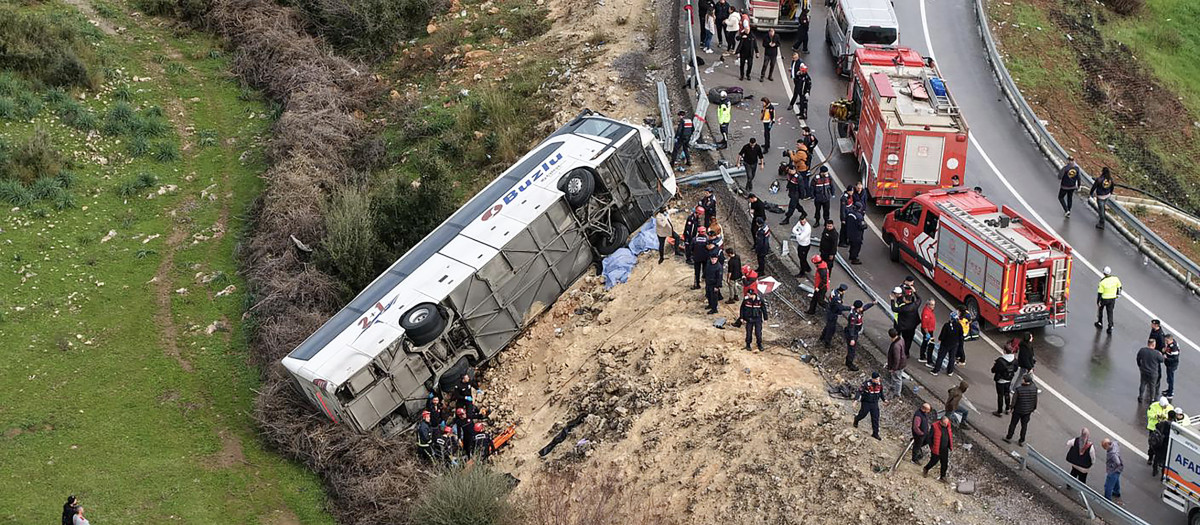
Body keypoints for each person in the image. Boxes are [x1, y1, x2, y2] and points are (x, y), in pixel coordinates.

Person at [1005, 375, 1038, 446]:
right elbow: (1035, 400)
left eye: (1023, 379)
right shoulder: (1034, 389)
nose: (1021, 380)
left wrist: (1011, 408)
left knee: (1013, 424)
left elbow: (1014, 401)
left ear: (1025, 381)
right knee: (1024, 426)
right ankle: (1021, 440)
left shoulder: (1019, 389)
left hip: (1018, 410)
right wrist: (1033, 408)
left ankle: (1009, 437)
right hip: (1028, 411)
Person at [852, 372, 886, 440]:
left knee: (875, 418)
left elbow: (881, 393)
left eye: (878, 379)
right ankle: (856, 419)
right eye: (876, 379)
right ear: (873, 379)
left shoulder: (879, 384)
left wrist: (884, 400)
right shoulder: (866, 384)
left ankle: (875, 433)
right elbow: (859, 391)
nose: (878, 380)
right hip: (866, 402)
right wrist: (856, 400)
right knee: (862, 414)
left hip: (874, 403)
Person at [844, 299, 875, 371]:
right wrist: (852, 338)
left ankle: (848, 361)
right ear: (858, 308)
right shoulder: (853, 316)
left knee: (852, 349)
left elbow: (865, 307)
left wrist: (872, 304)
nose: (862, 308)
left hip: (855, 332)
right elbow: (851, 328)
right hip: (852, 334)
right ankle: (849, 363)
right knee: (852, 350)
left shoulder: (858, 311)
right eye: (861, 307)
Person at [990, 342, 1018, 416]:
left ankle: (999, 411)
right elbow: (1015, 369)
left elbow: (993, 370)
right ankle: (1007, 409)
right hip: (1009, 379)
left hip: (1000, 380)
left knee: (1000, 395)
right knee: (1007, 394)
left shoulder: (1000, 360)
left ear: (1005, 351)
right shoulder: (1014, 360)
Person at [892, 288, 920, 358]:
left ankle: (900, 352)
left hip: (904, 327)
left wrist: (892, 300)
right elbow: (919, 299)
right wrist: (915, 291)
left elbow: (894, 309)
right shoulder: (915, 305)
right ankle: (906, 353)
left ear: (906, 300)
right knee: (909, 340)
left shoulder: (904, 308)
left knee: (903, 339)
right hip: (912, 327)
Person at [923, 416, 953, 482]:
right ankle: (926, 468)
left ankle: (943, 476)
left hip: (945, 448)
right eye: (945, 424)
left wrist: (949, 444)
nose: (946, 425)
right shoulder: (934, 426)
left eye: (947, 423)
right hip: (937, 448)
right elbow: (929, 438)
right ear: (941, 422)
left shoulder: (948, 425)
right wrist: (932, 447)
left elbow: (949, 434)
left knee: (944, 463)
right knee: (933, 461)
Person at [931, 312, 962, 376]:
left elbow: (942, 335)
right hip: (954, 344)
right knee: (952, 358)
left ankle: (936, 370)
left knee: (940, 357)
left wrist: (939, 340)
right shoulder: (959, 325)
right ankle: (950, 371)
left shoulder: (946, 325)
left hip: (945, 344)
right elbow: (961, 335)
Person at [1095, 266, 1121, 333]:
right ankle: (1110, 326)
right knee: (1110, 312)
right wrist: (1118, 294)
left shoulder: (1102, 282)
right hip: (1112, 299)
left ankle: (1100, 322)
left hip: (1104, 299)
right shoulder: (1115, 279)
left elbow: (1100, 293)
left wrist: (1098, 301)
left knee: (1100, 310)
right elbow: (1119, 287)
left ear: (1104, 273)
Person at [886, 328, 906, 398]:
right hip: (902, 362)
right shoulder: (901, 339)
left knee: (897, 379)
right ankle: (893, 387)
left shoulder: (895, 346)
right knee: (895, 377)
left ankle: (897, 393)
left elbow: (897, 359)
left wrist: (894, 368)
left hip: (898, 366)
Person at [791, 212, 812, 277]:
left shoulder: (807, 228)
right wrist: (799, 233)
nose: (802, 223)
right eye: (801, 222)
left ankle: (802, 272)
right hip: (800, 244)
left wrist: (797, 234)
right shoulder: (799, 223)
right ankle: (807, 268)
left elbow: (801, 238)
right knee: (801, 257)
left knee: (802, 259)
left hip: (805, 245)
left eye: (803, 222)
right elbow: (793, 229)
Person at [1102, 438, 1124, 502]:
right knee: (1116, 479)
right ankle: (1116, 492)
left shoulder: (1112, 454)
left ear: (1107, 445)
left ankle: (1107, 499)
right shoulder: (1114, 443)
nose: (1105, 449)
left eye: (1105, 447)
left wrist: (1111, 467)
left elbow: (1117, 462)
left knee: (1108, 485)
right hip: (1119, 469)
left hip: (1113, 470)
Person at [919, 299, 937, 366]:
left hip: (929, 330)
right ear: (928, 304)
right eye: (932, 305)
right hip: (928, 331)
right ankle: (929, 361)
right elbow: (924, 325)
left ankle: (922, 356)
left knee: (925, 342)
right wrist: (927, 333)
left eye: (934, 305)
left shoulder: (929, 310)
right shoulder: (926, 313)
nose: (933, 306)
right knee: (931, 345)